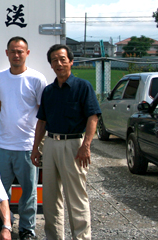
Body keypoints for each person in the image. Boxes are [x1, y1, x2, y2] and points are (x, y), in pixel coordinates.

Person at [31, 45, 101, 240]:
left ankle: (81, 237)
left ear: (71, 61)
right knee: (51, 199)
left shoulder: (82, 87)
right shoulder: (49, 91)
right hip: (51, 144)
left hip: (74, 146)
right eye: (54, 60)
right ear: (51, 65)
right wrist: (36, 147)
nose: (59, 63)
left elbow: (93, 117)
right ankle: (54, 237)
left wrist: (86, 146)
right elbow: (42, 121)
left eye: (62, 59)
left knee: (76, 198)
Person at [0, 37, 47, 240]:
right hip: (3, 145)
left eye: (20, 51)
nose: (16, 55)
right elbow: (1, 105)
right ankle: (4, 224)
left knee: (29, 192)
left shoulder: (37, 79)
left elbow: (43, 114)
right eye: (13, 51)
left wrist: (37, 145)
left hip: (27, 146)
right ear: (7, 53)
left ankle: (27, 229)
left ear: (27, 53)